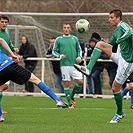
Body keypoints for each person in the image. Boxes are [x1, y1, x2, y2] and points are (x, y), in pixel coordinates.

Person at [74, 9, 133, 123]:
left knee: (115, 88)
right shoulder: (116, 31)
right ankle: (88, 69)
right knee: (100, 44)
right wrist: (100, 41)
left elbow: (130, 32)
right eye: (109, 17)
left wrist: (119, 40)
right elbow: (110, 45)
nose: (109, 19)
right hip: (120, 56)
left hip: (127, 62)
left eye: (111, 17)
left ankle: (119, 113)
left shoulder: (123, 25)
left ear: (118, 18)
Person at [0, 38, 68, 122]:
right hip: (9, 64)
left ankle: (1, 116)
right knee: (35, 79)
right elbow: (1, 40)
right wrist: (12, 54)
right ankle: (57, 100)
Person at [52, 23, 83, 108]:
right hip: (64, 65)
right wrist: (60, 55)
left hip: (74, 65)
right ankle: (70, 103)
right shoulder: (59, 39)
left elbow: (79, 50)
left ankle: (72, 96)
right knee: (66, 83)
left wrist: (79, 57)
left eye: (68, 28)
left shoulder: (74, 38)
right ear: (63, 29)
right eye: (64, 27)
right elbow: (54, 51)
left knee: (80, 81)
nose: (66, 29)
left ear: (70, 29)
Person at [0, 15, 19, 114]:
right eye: (2, 22)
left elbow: (9, 43)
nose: (4, 24)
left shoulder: (7, 32)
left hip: (5, 61)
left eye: (5, 22)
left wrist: (13, 48)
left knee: (5, 85)